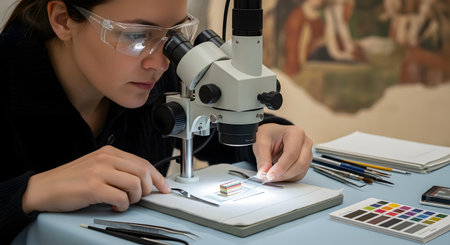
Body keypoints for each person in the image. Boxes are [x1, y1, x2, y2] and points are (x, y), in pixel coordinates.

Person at [0, 0, 313, 242]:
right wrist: (29, 192)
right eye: (136, 36)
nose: (160, 62)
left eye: (174, 36)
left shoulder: (157, 77)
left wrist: (267, 132)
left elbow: (217, 132)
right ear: (62, 20)